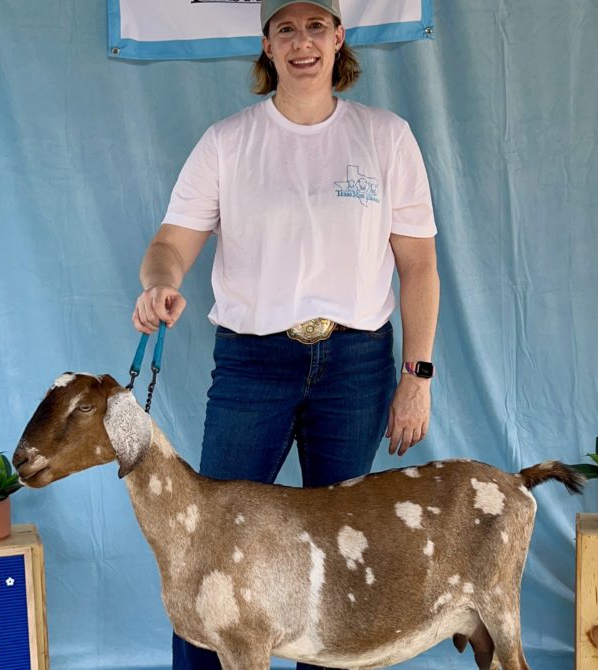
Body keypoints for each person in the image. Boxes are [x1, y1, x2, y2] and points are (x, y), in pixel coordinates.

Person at [132, 1, 439, 668]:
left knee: (341, 555)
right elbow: (170, 242)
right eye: (287, 29)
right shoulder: (228, 141)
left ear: (339, 38)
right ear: (266, 44)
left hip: (356, 365)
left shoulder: (386, 137)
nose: (303, 42)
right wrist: (160, 281)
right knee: (213, 549)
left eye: (316, 26)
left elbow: (418, 265)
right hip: (252, 366)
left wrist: (416, 378)